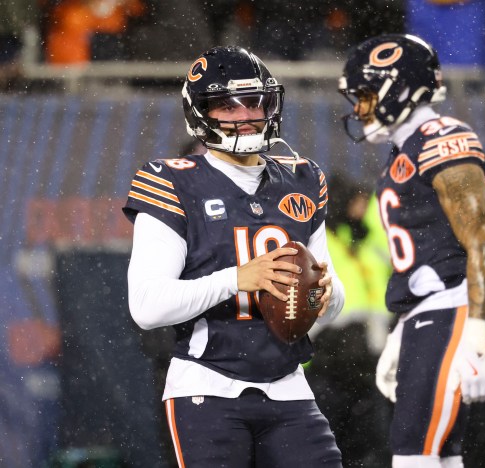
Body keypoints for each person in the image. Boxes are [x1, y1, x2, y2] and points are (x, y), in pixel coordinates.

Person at [122, 46, 344, 467]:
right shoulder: (170, 181)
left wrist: (323, 297)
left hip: (289, 385)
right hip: (206, 386)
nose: (244, 115)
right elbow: (146, 307)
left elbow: (331, 307)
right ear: (200, 112)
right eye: (226, 105)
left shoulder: (303, 177)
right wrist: (238, 278)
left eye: (255, 103)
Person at [339, 34, 485, 468]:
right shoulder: (405, 149)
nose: (360, 108)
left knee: (413, 452)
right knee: (438, 453)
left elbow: (481, 246)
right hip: (428, 314)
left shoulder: (443, 140)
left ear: (399, 89)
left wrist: (477, 341)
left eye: (367, 95)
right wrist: (403, 329)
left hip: (449, 310)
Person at [305, 173, 392, 467]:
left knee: (369, 443)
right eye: (357, 202)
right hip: (329, 362)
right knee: (326, 445)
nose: (363, 209)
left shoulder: (364, 244)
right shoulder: (320, 244)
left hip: (366, 362)